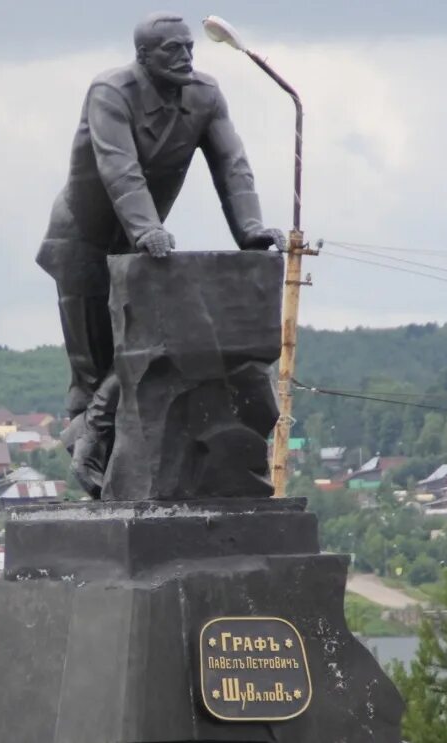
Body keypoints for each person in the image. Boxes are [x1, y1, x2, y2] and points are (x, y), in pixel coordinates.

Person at [35, 11, 285, 495]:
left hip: (138, 246)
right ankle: (98, 470)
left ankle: (109, 454)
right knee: (92, 368)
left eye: (189, 48)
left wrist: (249, 229)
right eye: (173, 50)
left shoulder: (205, 96)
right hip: (83, 242)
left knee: (146, 345)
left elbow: (233, 166)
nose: (186, 57)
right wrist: (148, 228)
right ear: (144, 56)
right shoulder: (111, 92)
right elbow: (118, 168)